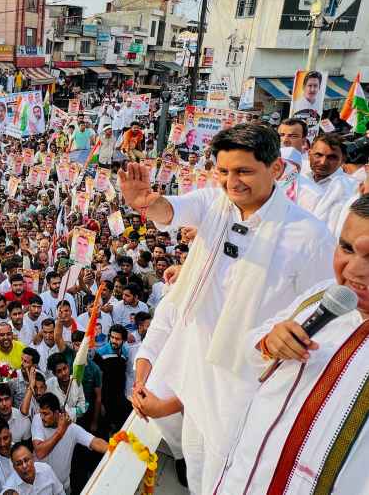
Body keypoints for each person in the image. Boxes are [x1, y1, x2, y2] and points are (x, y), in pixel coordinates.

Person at [123, 123, 335, 493]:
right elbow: (172, 209)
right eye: (223, 171)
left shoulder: (310, 237)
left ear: (276, 170)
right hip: (198, 384)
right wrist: (147, 203)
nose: (231, 182)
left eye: (243, 171)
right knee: (199, 473)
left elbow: (324, 324)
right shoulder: (214, 206)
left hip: (250, 394)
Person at [210, 194, 369, 494]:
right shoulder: (322, 295)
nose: (354, 270)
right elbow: (252, 349)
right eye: (346, 248)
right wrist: (270, 343)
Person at [31, 392, 107, 493]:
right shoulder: (37, 420)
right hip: (42, 488)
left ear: (57, 413)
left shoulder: (72, 428)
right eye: (41, 413)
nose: (42, 417)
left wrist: (114, 448)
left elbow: (95, 442)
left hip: (63, 487)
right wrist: (60, 432)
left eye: (46, 414)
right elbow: (40, 452)